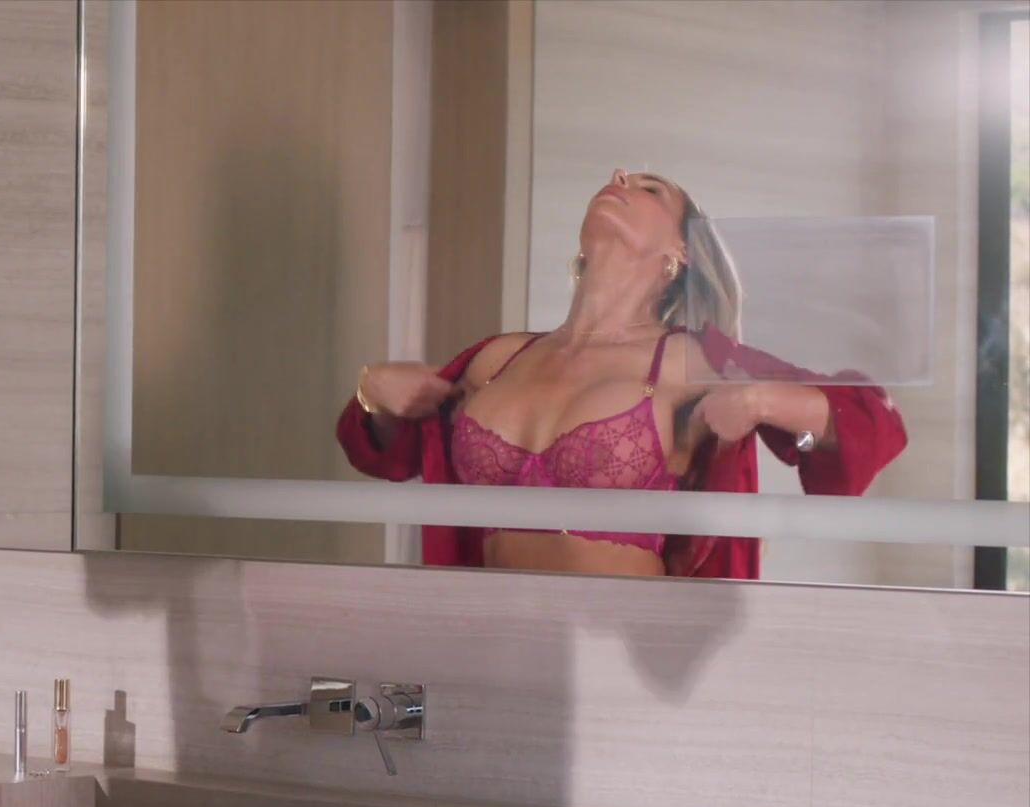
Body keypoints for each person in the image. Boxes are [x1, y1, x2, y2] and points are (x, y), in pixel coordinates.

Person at [338, 169, 907, 579]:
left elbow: (872, 422)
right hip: (487, 642)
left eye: (650, 188)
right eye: (619, 179)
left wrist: (760, 401)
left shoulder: (694, 361)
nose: (619, 179)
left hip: (622, 654)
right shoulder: (496, 358)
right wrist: (372, 395)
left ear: (682, 250)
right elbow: (390, 453)